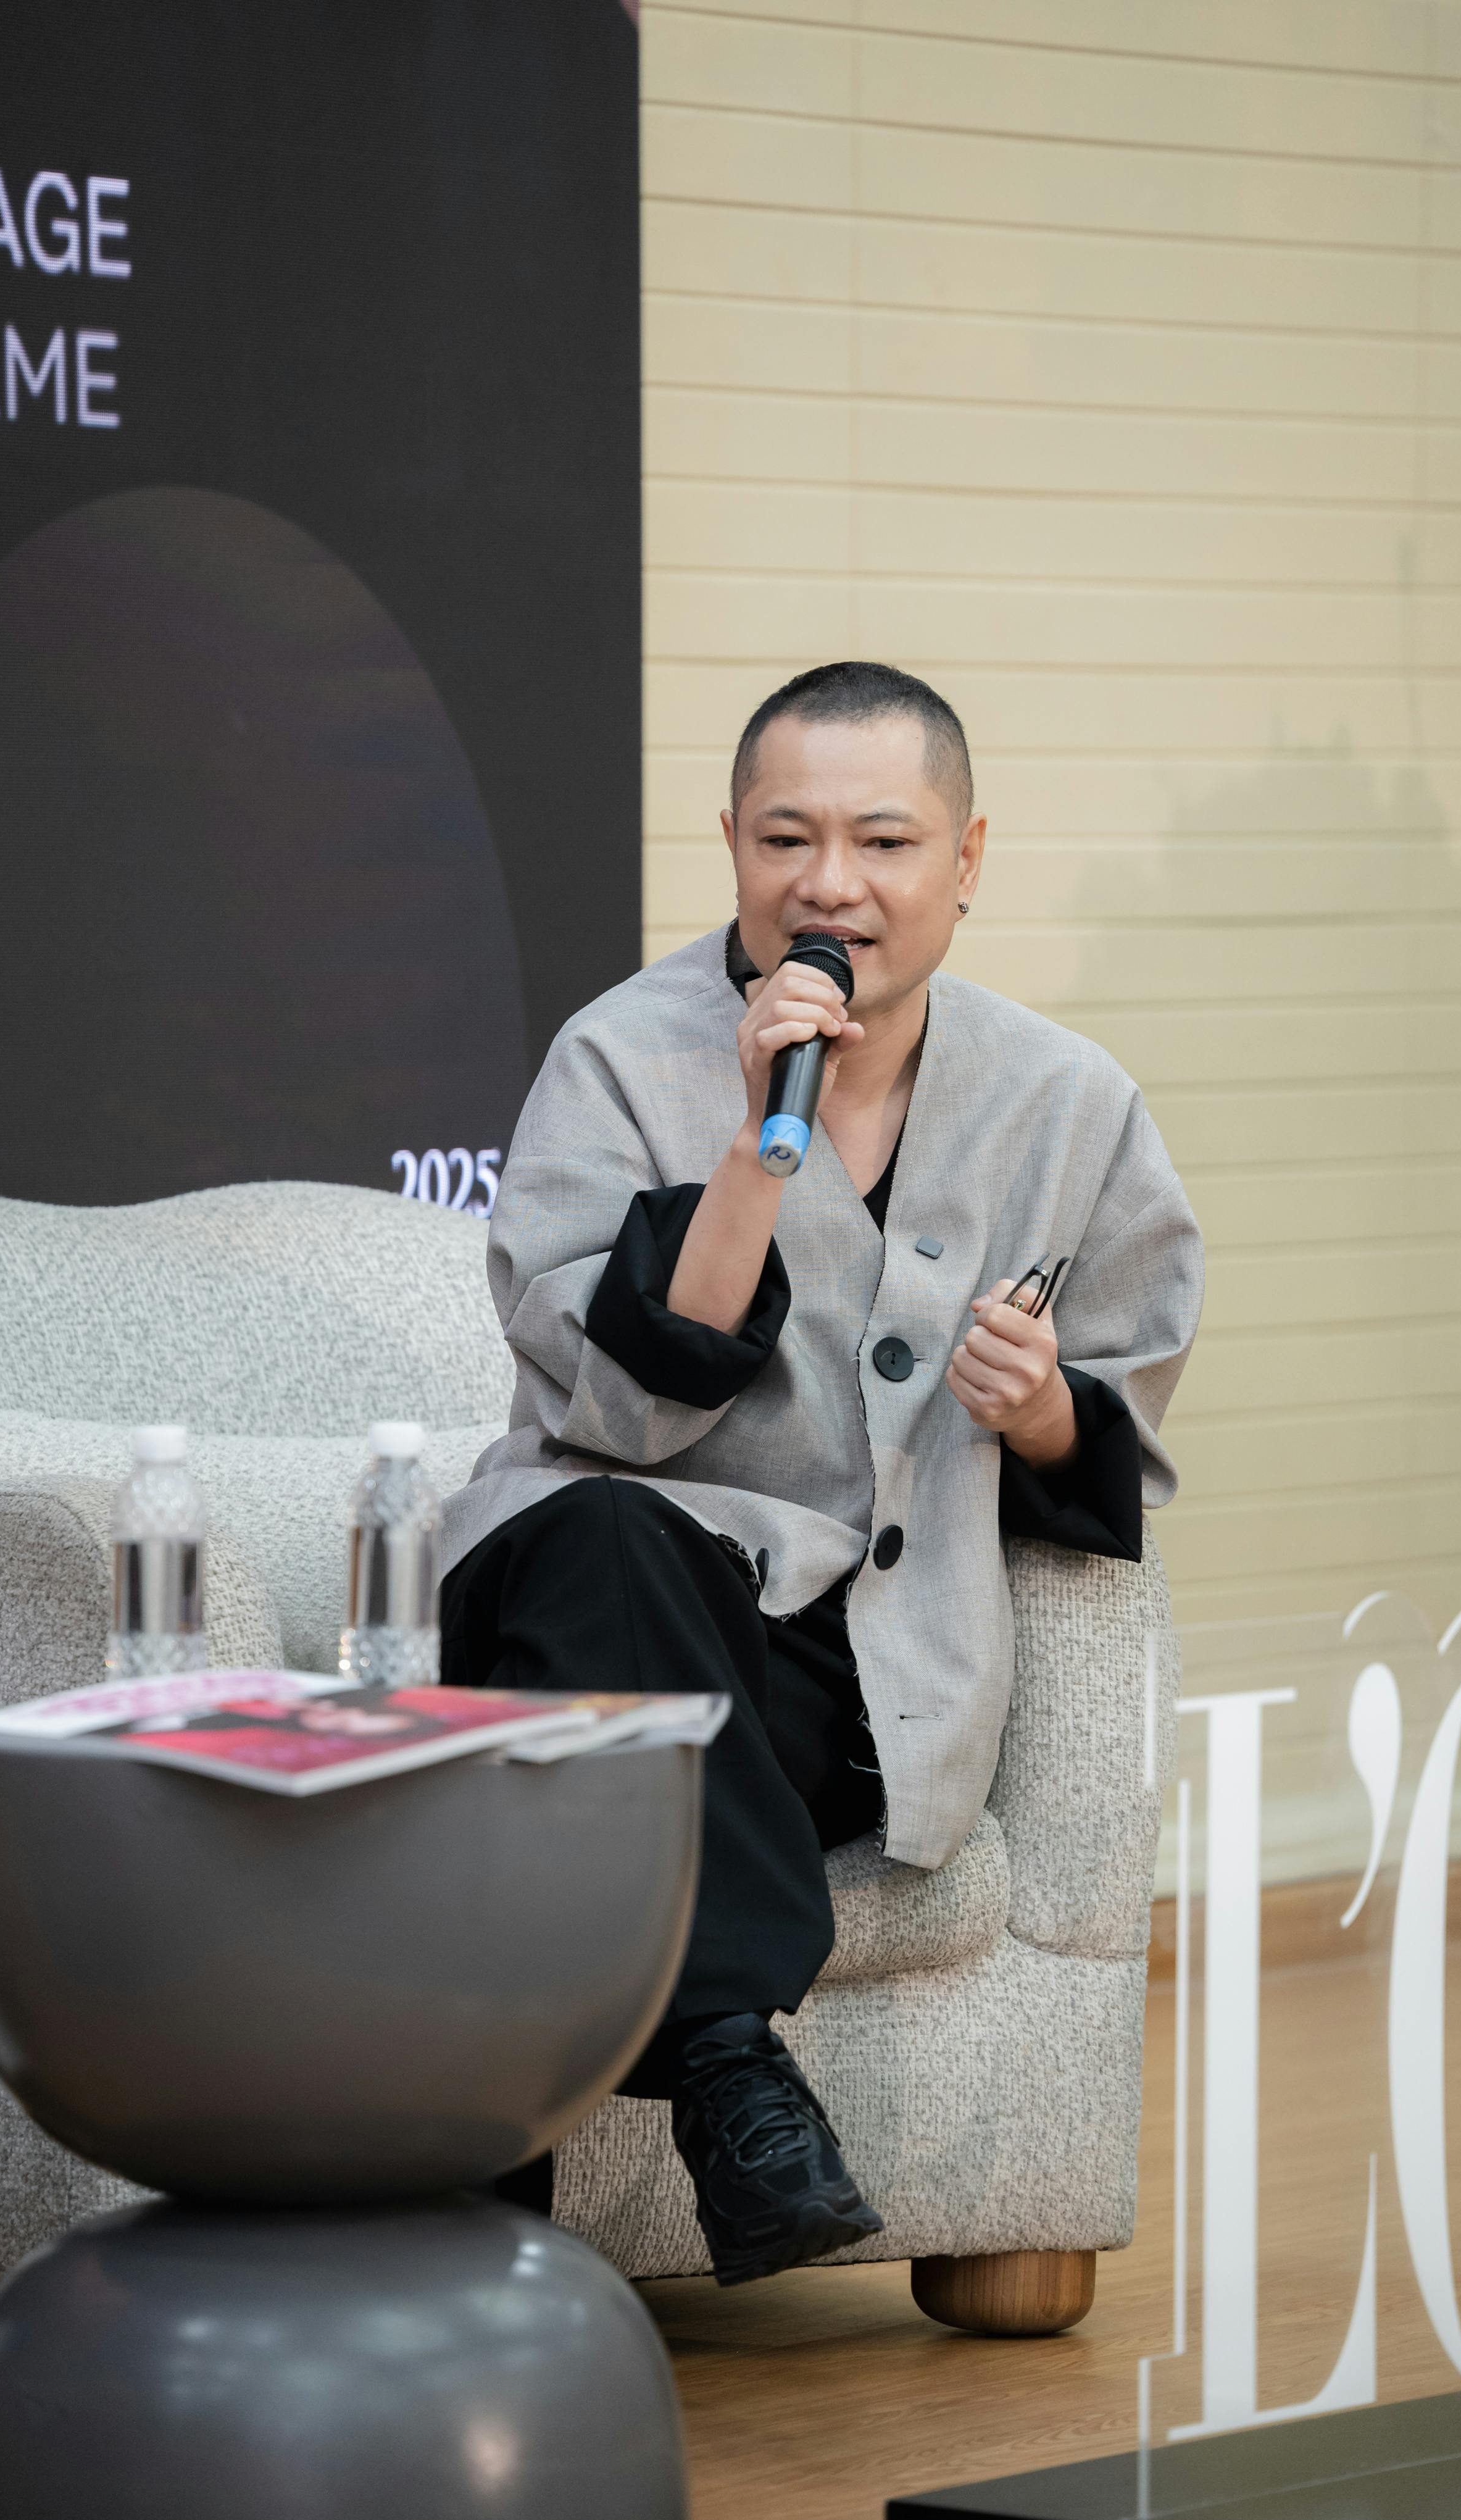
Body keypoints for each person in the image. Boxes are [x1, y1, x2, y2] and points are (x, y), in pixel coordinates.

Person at [439, 660, 1204, 2287]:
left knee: (561, 1764)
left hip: (849, 1672)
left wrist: (1039, 1409)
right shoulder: (616, 1058)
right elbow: (605, 1407)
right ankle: (736, 2079)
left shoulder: (1069, 1100)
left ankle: (548, 2187)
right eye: (787, 838)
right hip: (593, 1613)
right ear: (730, 842)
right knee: (607, 1538)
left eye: (884, 840)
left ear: (967, 859)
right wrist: (752, 1145)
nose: (830, 884)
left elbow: (1122, 1408)